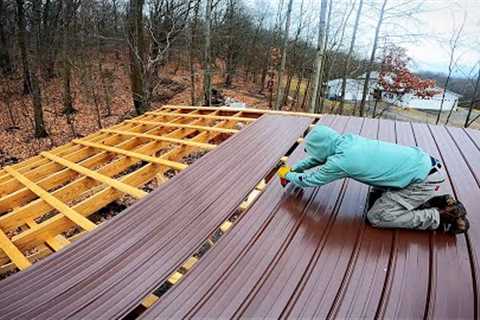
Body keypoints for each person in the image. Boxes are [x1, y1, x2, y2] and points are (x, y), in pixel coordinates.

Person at [277, 125, 469, 234]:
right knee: (377, 193)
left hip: (422, 182)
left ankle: (442, 215)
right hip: (424, 167)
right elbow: (318, 158)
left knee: (377, 216)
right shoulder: (347, 141)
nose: (312, 154)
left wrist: (287, 174)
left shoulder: (342, 161)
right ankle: (436, 201)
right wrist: (295, 168)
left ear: (321, 146)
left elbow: (310, 180)